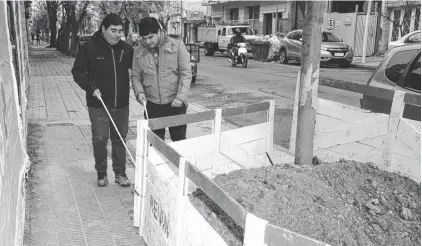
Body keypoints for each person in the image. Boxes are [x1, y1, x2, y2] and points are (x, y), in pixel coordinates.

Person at [71, 13, 134, 187]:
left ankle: (120, 173)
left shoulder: (126, 50)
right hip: (98, 104)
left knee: (120, 139)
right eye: (113, 31)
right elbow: (77, 72)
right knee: (100, 138)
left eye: (120, 31)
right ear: (104, 29)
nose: (117, 35)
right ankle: (101, 173)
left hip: (121, 104)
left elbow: (137, 71)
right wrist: (91, 88)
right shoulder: (89, 48)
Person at [131, 16, 191, 142]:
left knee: (179, 143)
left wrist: (181, 97)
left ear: (159, 31)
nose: (147, 42)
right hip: (152, 105)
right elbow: (136, 76)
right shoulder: (138, 51)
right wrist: (139, 92)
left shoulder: (178, 46)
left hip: (175, 103)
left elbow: (185, 73)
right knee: (154, 145)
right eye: (144, 38)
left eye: (151, 37)